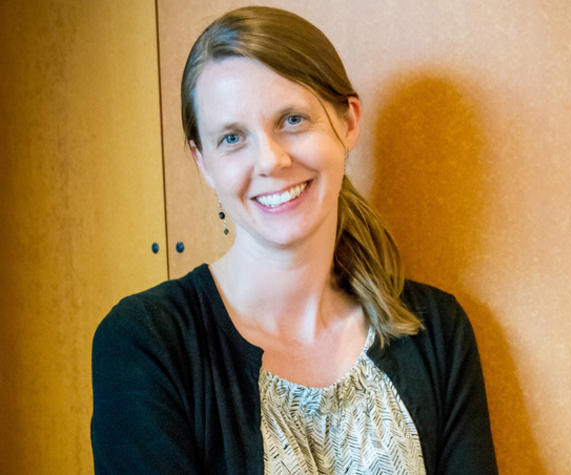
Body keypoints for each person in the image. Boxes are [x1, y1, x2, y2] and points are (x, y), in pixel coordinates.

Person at [91, 6, 497, 474]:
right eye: (232, 138)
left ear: (348, 122)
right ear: (202, 161)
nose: (271, 160)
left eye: (292, 120)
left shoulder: (437, 333)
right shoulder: (147, 344)